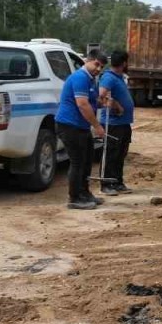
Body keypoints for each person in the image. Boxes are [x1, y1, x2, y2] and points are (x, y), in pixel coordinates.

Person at [55, 49, 107, 210]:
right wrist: (97, 126)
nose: (98, 69)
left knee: (87, 160)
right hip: (70, 126)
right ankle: (74, 198)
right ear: (87, 60)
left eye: (101, 67)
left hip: (81, 127)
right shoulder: (80, 78)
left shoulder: (90, 79)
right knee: (77, 162)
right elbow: (82, 104)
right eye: (97, 64)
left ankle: (85, 193)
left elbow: (91, 102)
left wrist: (100, 102)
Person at [97, 50, 135, 196]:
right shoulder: (108, 78)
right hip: (112, 123)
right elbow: (101, 96)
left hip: (123, 123)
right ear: (124, 63)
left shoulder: (118, 77)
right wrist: (116, 106)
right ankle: (106, 184)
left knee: (120, 154)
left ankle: (117, 182)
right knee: (111, 153)